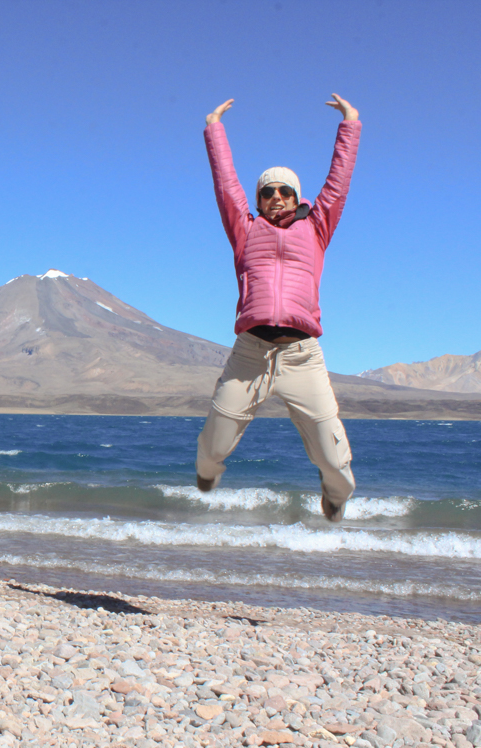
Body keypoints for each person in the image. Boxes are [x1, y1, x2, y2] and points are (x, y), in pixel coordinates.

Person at [196, 94, 361, 522]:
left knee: (334, 458)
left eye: (285, 191)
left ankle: (335, 495)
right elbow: (225, 185)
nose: (276, 197)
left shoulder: (317, 228)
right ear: (259, 199)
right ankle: (208, 474)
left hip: (302, 356)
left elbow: (338, 183)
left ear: (296, 197)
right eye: (267, 192)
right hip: (250, 353)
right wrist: (214, 128)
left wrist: (350, 124)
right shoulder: (245, 230)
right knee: (211, 447)